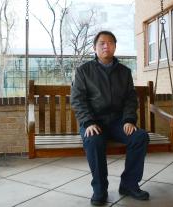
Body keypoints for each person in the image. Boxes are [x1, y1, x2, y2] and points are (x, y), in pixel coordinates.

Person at [70, 31, 150, 206]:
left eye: (110, 42)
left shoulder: (124, 72)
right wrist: (88, 122)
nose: (106, 46)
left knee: (139, 137)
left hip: (117, 122)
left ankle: (129, 185)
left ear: (115, 46)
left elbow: (131, 99)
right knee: (93, 140)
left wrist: (129, 119)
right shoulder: (84, 71)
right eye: (101, 43)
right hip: (93, 122)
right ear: (95, 47)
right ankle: (100, 189)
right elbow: (77, 100)